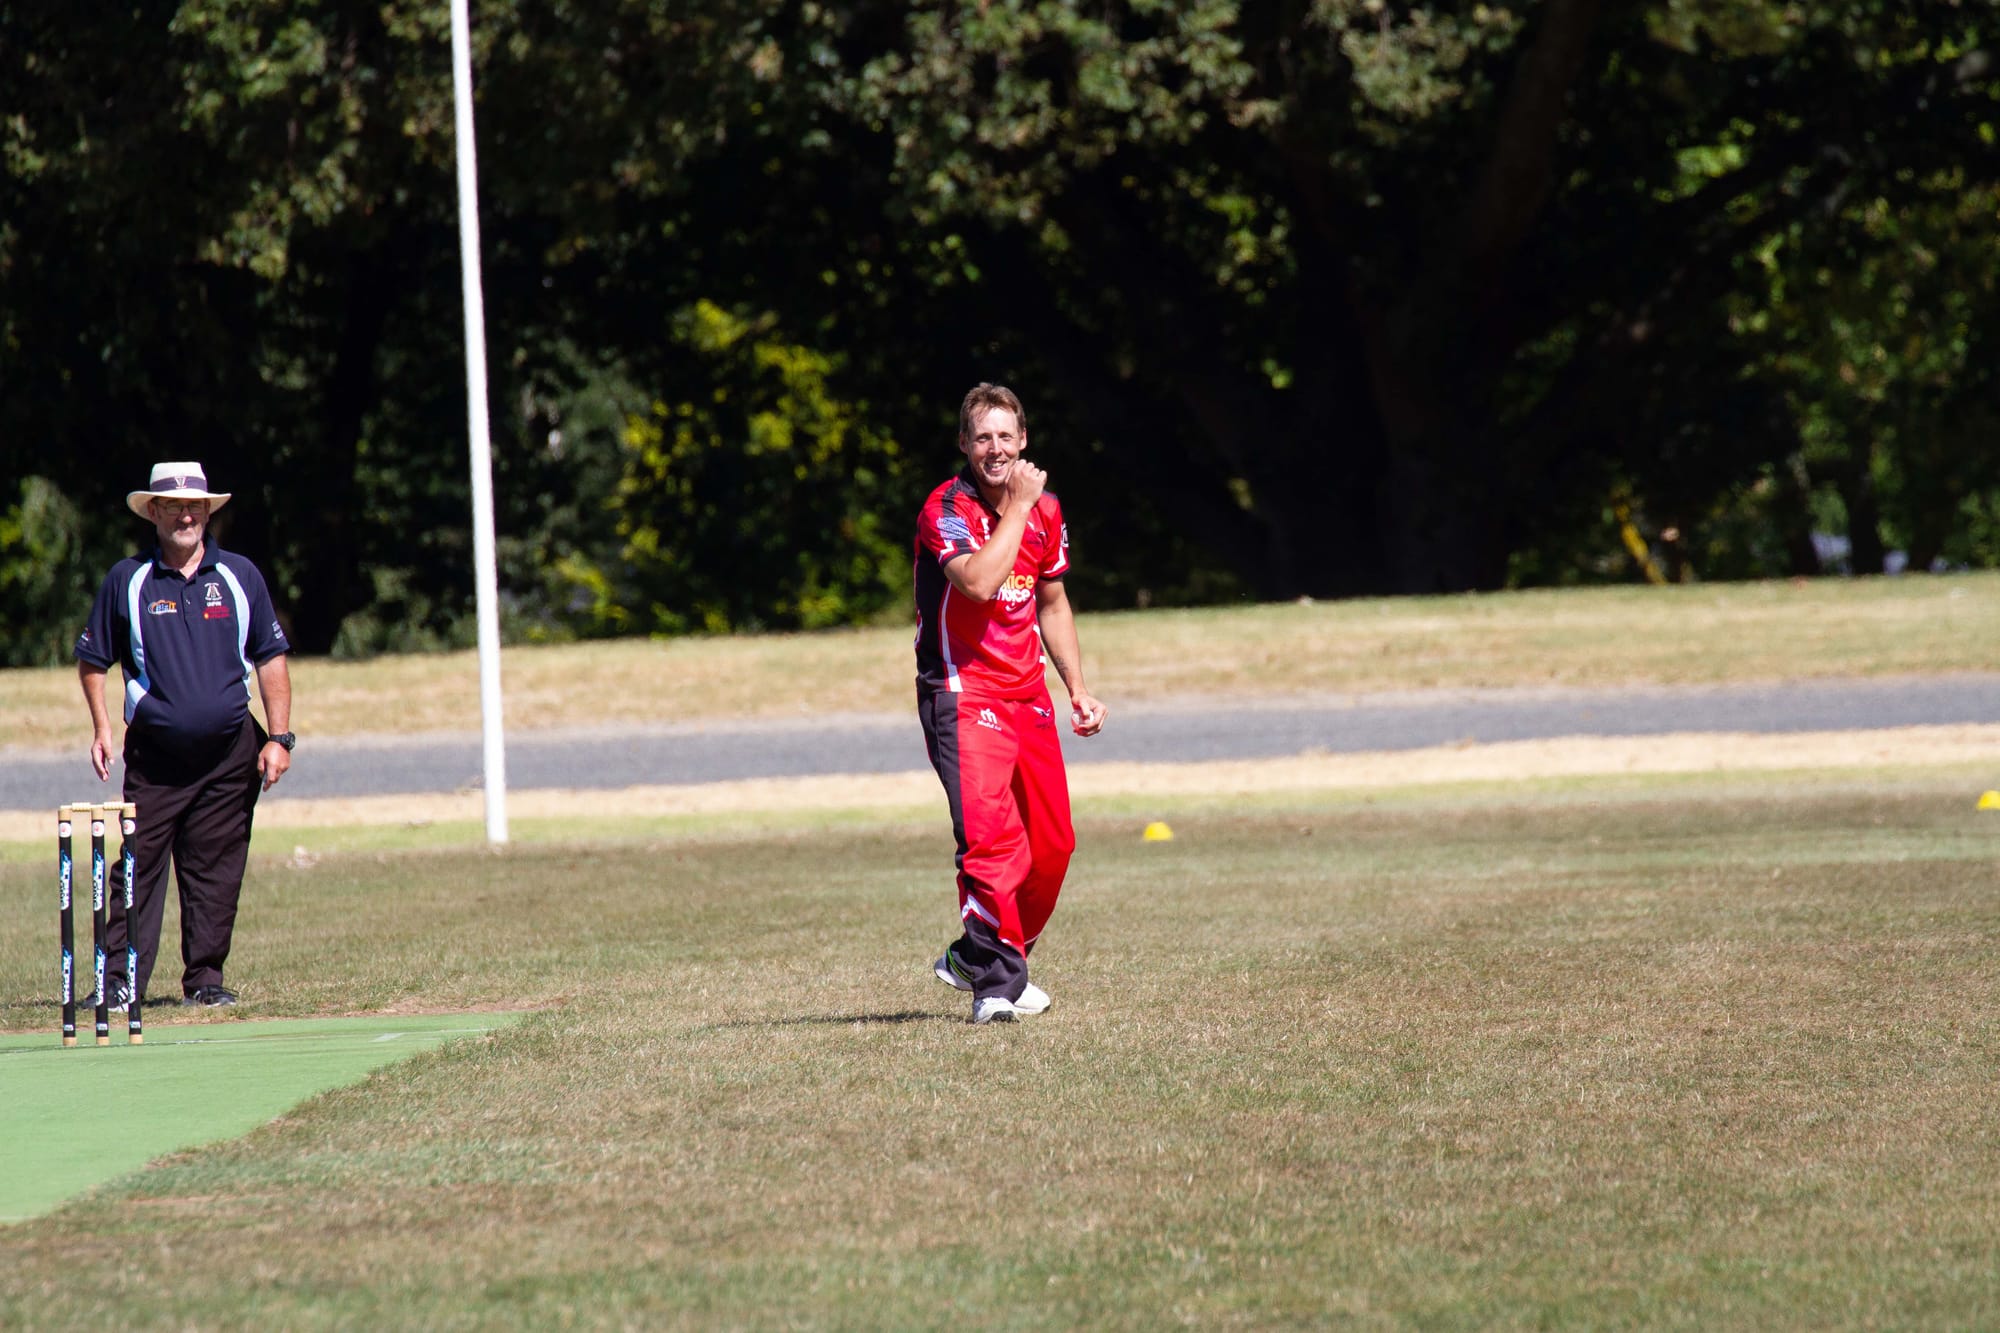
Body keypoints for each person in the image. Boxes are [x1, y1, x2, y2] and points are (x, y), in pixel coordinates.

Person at [914, 383, 1108, 1024]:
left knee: (1052, 845)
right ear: (964, 446)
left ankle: (980, 952)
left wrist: (1077, 686)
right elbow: (978, 582)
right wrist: (1020, 507)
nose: (995, 449)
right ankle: (996, 986)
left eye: (1006, 436)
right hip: (963, 694)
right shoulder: (945, 508)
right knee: (994, 842)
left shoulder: (1045, 510)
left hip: (1028, 694)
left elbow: (1050, 602)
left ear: (1023, 440)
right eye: (982, 438)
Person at [74, 461, 294, 1008]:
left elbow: (270, 659)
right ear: (154, 512)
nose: (185, 515)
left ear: (207, 511)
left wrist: (280, 738)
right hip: (156, 757)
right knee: (137, 869)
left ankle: (205, 981)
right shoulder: (128, 580)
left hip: (230, 754)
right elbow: (93, 660)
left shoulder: (240, 577)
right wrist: (103, 728)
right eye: (173, 506)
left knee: (216, 870)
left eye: (194, 506)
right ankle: (121, 984)